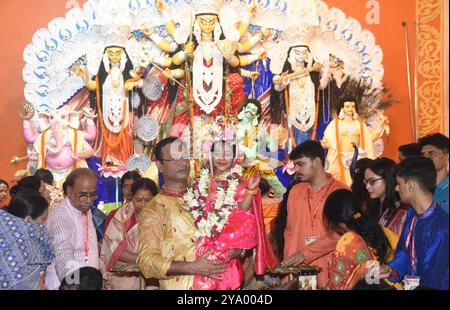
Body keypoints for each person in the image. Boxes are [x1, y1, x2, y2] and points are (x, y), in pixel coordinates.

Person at [185, 133, 277, 290]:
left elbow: (242, 214)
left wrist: (249, 191)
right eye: (217, 153)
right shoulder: (199, 183)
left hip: (227, 253)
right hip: (197, 252)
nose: (222, 158)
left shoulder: (239, 184)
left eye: (227, 154)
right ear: (210, 155)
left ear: (235, 157)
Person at [138, 137, 227, 290]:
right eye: (174, 159)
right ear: (159, 165)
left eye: (185, 157)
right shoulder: (154, 209)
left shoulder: (207, 197)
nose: (183, 162)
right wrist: (193, 267)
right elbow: (146, 261)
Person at [280, 140, 347, 288]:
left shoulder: (341, 192)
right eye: (295, 164)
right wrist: (287, 271)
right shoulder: (295, 191)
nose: (296, 169)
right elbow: (290, 233)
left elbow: (342, 234)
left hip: (329, 268)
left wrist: (306, 253)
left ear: (316, 162)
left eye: (300, 164)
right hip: (298, 271)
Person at [377, 157, 449, 290]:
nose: (397, 189)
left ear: (410, 186)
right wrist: (390, 269)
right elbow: (405, 253)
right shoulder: (412, 213)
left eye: (399, 183)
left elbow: (434, 280)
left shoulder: (441, 228)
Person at [323, 189, 392, 290]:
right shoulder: (372, 232)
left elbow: (337, 284)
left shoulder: (348, 241)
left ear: (333, 219)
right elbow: (372, 281)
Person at [45, 168, 100, 290]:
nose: (89, 200)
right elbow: (64, 256)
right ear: (69, 191)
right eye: (83, 195)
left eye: (93, 195)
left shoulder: (84, 209)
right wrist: (75, 286)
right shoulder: (60, 218)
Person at [100, 178, 159, 290]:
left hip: (153, 276)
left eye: (147, 200)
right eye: (138, 200)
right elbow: (114, 249)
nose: (142, 204)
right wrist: (143, 259)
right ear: (132, 198)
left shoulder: (161, 216)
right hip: (123, 277)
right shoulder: (122, 216)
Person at [321, 97, 375, 186]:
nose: (350, 109)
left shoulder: (360, 124)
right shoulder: (335, 123)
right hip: (339, 158)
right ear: (342, 108)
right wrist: (326, 143)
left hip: (356, 158)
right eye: (347, 106)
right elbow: (327, 140)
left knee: (355, 182)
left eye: (352, 106)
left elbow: (368, 142)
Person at [0, 208, 53, 290]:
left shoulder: (6, 219)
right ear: (28, 218)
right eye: (43, 219)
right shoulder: (9, 219)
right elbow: (45, 238)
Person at [364, 158, 409, 238]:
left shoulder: (401, 210)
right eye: (366, 182)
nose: (367, 187)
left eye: (372, 181)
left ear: (388, 179)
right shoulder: (372, 206)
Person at [103, 170, 142, 237]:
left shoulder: (145, 214)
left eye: (133, 186)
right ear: (121, 189)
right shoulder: (113, 215)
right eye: (126, 186)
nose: (129, 190)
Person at [419, 133, 449, 213]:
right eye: (423, 155)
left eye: (431, 153)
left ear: (446, 157)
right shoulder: (419, 186)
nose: (426, 158)